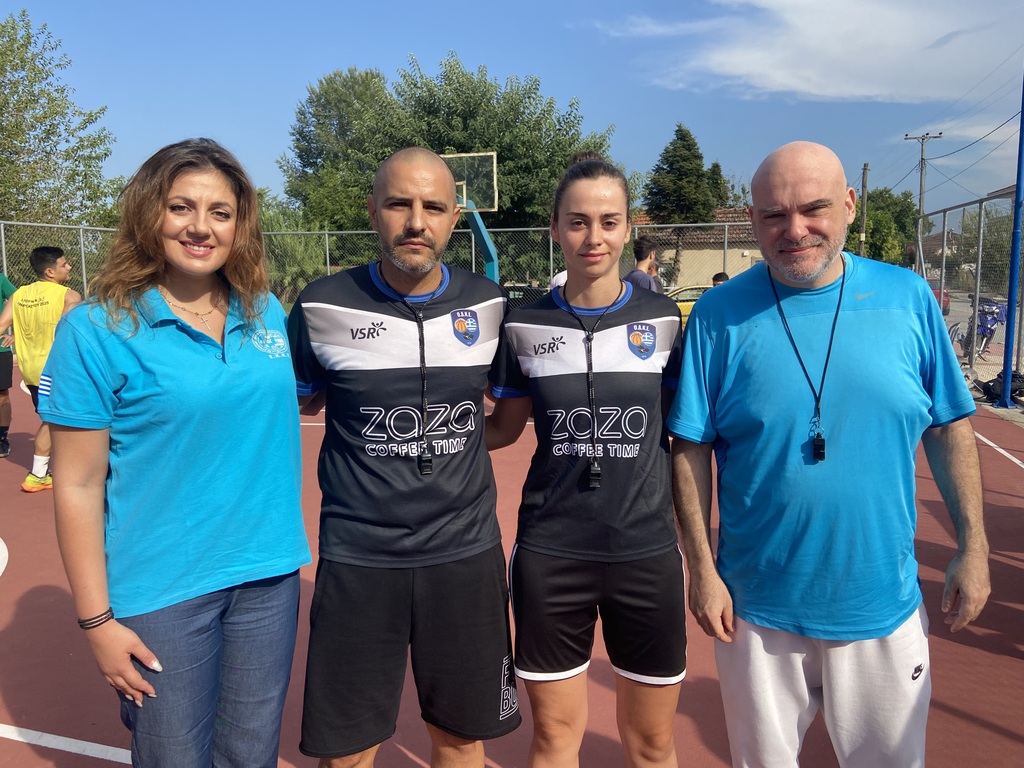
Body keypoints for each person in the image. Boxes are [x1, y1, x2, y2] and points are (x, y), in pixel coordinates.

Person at [668, 141, 990, 767]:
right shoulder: (717, 315)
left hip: (880, 604)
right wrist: (701, 571)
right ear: (752, 219)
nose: (794, 230)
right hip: (756, 610)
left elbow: (950, 429)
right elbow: (690, 448)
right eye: (773, 215)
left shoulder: (908, 300)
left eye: (813, 208)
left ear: (848, 205)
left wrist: (973, 546)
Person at [39, 138, 311, 767]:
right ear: (148, 214)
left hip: (268, 577)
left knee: (250, 755)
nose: (200, 227)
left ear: (240, 225)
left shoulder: (265, 310)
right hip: (163, 588)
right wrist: (96, 621)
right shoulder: (97, 328)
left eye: (221, 212)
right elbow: (77, 484)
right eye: (180, 207)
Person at [288, 146, 520, 768]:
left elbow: (505, 422)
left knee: (460, 740)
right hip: (359, 558)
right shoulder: (320, 304)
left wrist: (445, 445)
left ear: (454, 218)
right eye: (399, 204)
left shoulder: (490, 303)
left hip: (465, 554)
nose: (417, 222)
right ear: (373, 211)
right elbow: (298, 405)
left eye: (434, 207)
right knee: (348, 751)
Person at [487, 155, 687, 767]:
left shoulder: (665, 321)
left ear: (628, 228)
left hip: (645, 552)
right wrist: (408, 439)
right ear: (554, 228)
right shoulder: (523, 325)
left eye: (608, 221)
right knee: (553, 740)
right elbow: (501, 429)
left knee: (652, 744)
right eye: (577, 222)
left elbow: (687, 437)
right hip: (552, 554)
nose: (593, 237)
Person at [0, 247, 80, 490]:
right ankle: (48, 474)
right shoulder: (69, 296)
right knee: (70, 420)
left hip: (32, 372)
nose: (69, 267)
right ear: (50, 272)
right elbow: (68, 335)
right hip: (59, 370)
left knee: (51, 420)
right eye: (64, 264)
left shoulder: (19, 295)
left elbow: (1, 325)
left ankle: (40, 473)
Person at [0, 271, 17, 458]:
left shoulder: (0, 280)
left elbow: (20, 303)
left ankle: (2, 438)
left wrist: (15, 333)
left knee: (2, 396)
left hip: (0, 349)